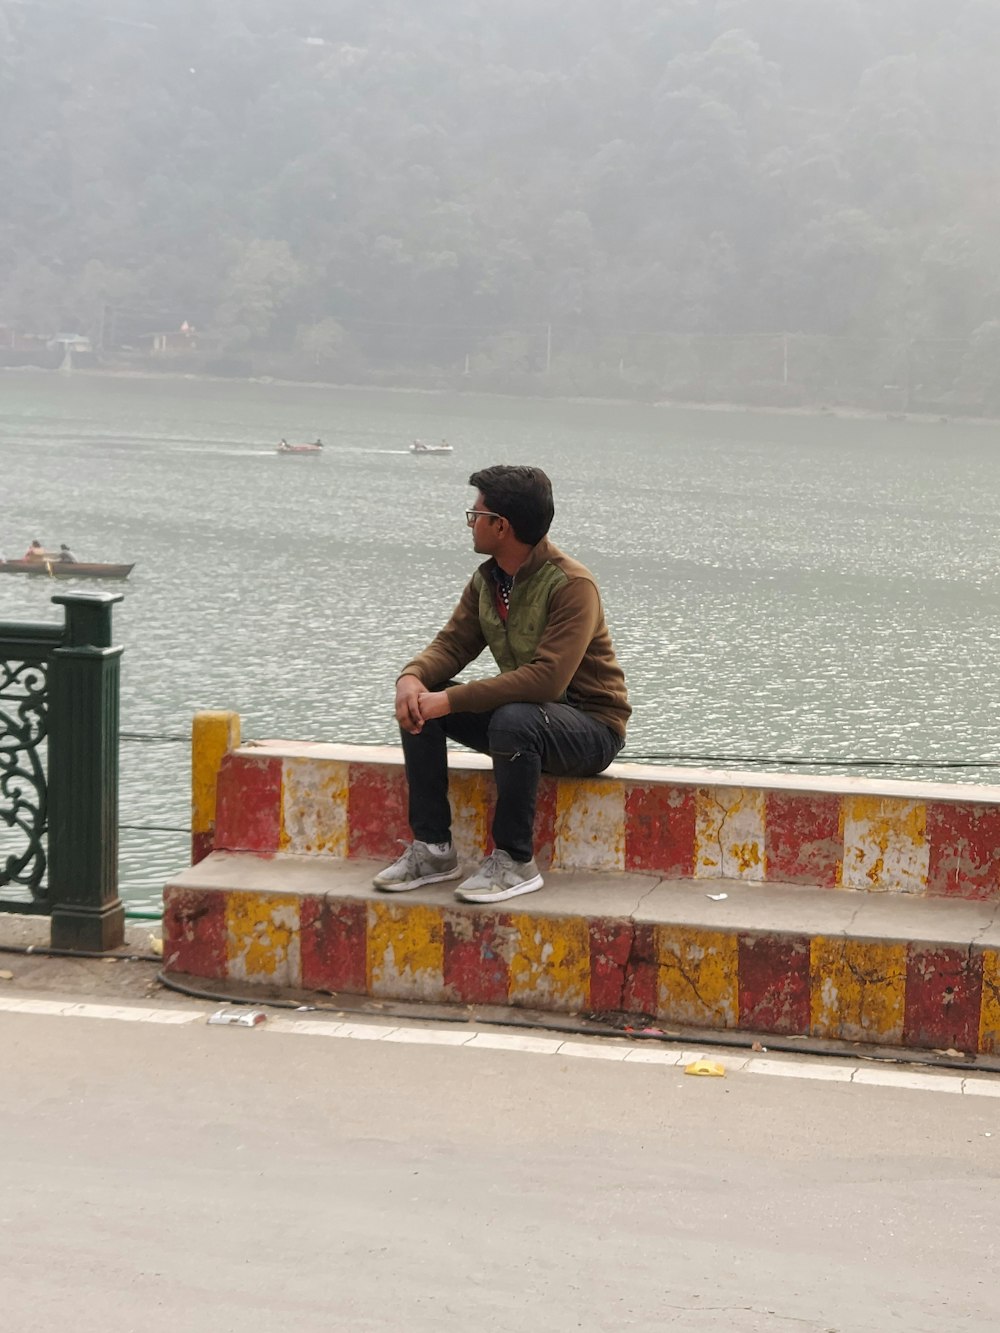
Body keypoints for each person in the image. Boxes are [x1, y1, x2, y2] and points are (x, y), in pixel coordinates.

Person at [374, 464, 629, 904]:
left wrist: (450, 701)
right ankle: (434, 849)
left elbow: (547, 680)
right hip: (526, 724)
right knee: (420, 705)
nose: (470, 523)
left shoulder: (572, 585)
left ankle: (515, 861)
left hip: (589, 731)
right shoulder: (489, 580)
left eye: (476, 515)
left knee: (510, 717)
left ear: (501, 526)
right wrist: (411, 677)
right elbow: (452, 645)